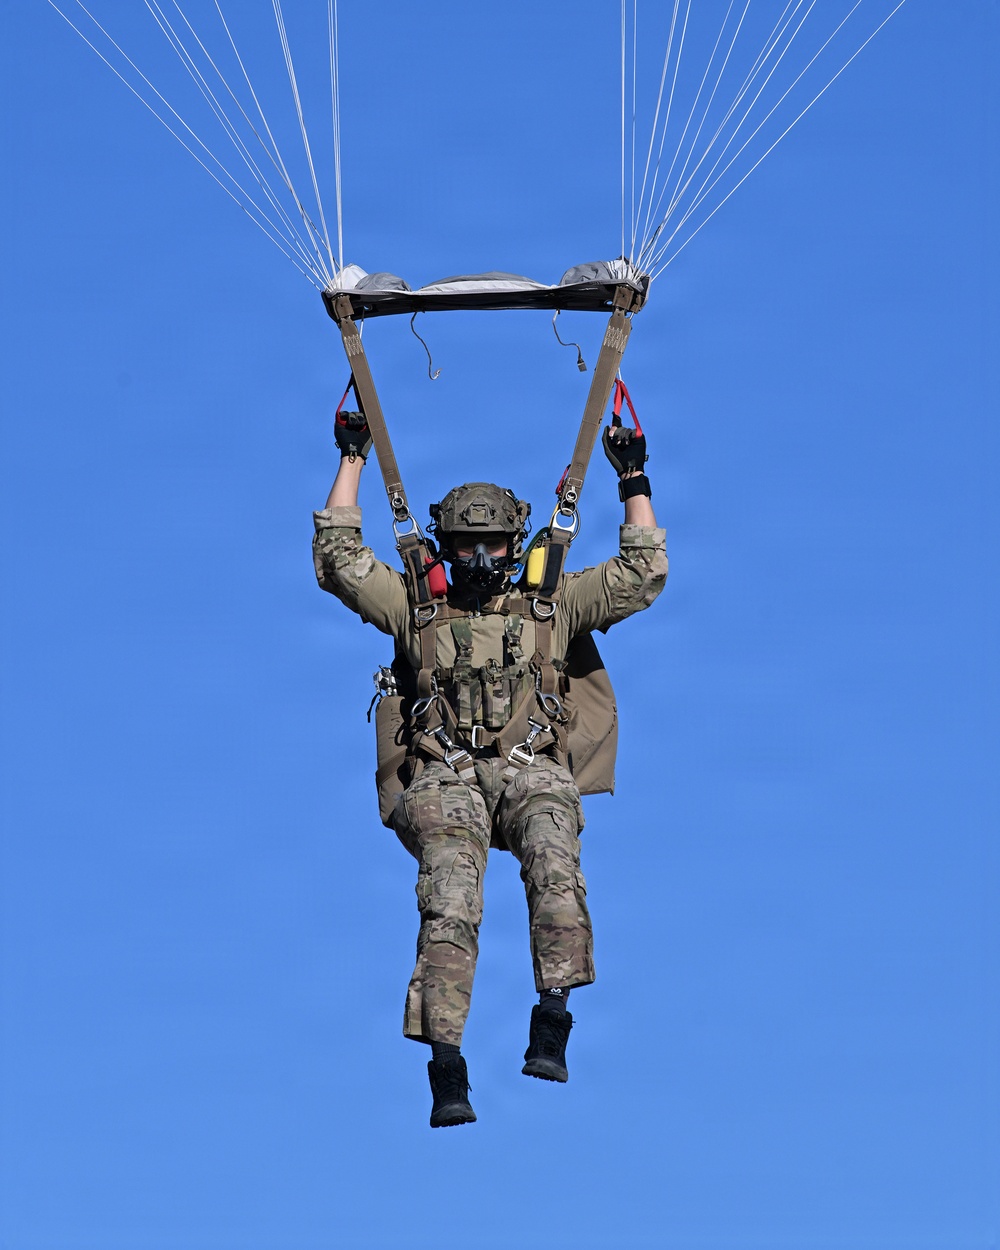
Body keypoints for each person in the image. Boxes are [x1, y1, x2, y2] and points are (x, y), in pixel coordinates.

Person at [312, 410, 667, 1127]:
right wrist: (353, 455)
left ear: (514, 547)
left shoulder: (552, 603)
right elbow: (340, 560)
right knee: (450, 903)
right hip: (446, 774)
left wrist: (632, 475)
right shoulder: (418, 607)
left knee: (555, 867)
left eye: (492, 543)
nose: (477, 557)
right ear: (444, 546)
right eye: (466, 544)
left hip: (530, 767)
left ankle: (553, 1020)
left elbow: (642, 571)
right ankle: (446, 1066)